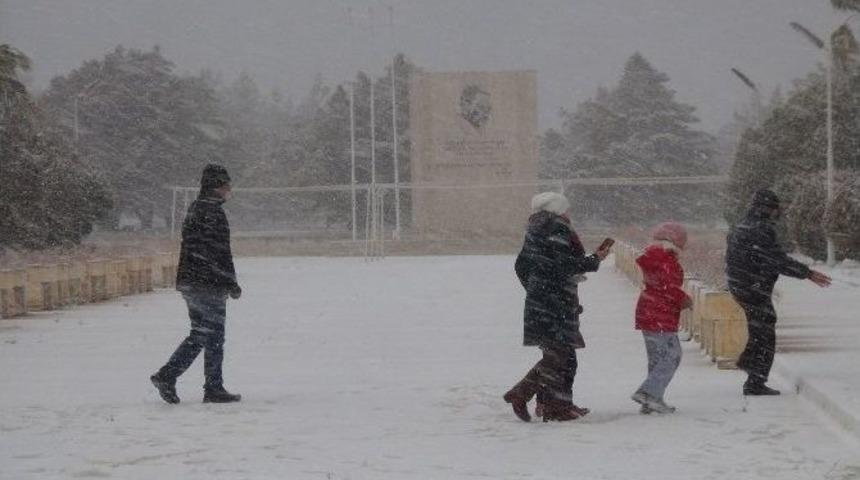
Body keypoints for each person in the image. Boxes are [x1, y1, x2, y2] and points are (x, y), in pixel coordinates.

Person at [503, 192, 610, 422]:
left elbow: (521, 265)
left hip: (545, 301)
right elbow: (564, 264)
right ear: (557, 209)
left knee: (561, 355)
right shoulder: (558, 228)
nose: (568, 213)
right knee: (559, 356)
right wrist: (594, 260)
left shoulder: (535, 230)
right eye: (566, 209)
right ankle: (528, 397)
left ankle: (554, 404)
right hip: (556, 303)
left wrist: (535, 289)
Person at [151, 164, 243, 404]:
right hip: (207, 284)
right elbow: (220, 252)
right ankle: (169, 375)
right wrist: (230, 281)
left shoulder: (196, 209)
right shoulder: (213, 213)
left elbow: (202, 250)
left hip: (192, 282)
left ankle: (213, 386)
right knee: (206, 334)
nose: (229, 189)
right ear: (216, 187)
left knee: (208, 334)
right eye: (226, 185)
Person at [725, 189, 831, 396]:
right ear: (768, 209)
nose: (777, 213)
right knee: (764, 333)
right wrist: (807, 273)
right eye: (775, 209)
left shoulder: (741, 226)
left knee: (760, 328)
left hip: (741, 285)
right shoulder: (760, 229)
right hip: (753, 287)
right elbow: (775, 260)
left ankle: (749, 365)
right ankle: (755, 381)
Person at [631, 222, 692, 414]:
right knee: (671, 356)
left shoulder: (655, 257)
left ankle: (651, 401)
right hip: (660, 313)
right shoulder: (666, 260)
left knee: (657, 359)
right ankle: (649, 394)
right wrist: (684, 299)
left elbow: (660, 285)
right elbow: (667, 287)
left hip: (650, 311)